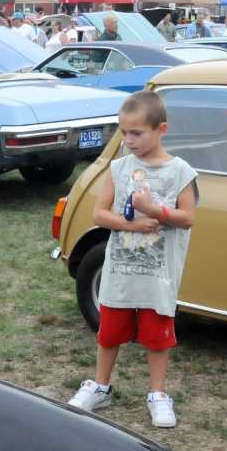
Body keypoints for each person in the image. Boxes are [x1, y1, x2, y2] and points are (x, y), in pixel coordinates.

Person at [68, 91, 198, 428]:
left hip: (158, 276)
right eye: (123, 133)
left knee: (157, 337)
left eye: (137, 133)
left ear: (161, 129)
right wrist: (133, 224)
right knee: (109, 333)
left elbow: (188, 218)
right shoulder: (119, 168)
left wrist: (155, 211)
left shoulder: (180, 171)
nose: (128, 141)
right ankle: (100, 386)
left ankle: (157, 394)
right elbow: (99, 214)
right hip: (120, 273)